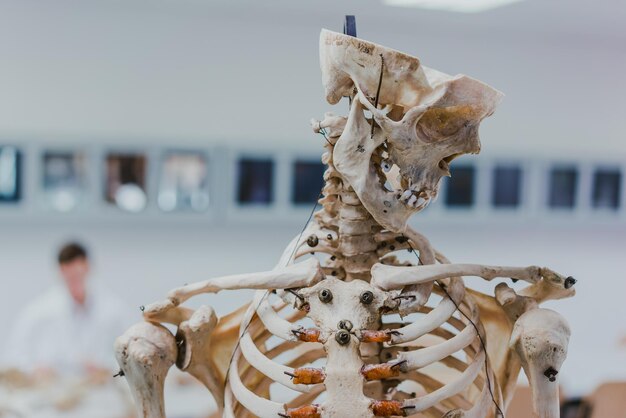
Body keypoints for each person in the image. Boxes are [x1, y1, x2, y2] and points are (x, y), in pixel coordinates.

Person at [3, 242, 131, 379]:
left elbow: (130, 356)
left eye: (77, 275)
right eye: (68, 276)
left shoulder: (113, 310)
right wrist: (35, 370)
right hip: (53, 393)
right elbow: (14, 356)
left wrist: (107, 370)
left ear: (87, 267)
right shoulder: (38, 312)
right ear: (60, 272)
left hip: (102, 393)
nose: (73, 281)